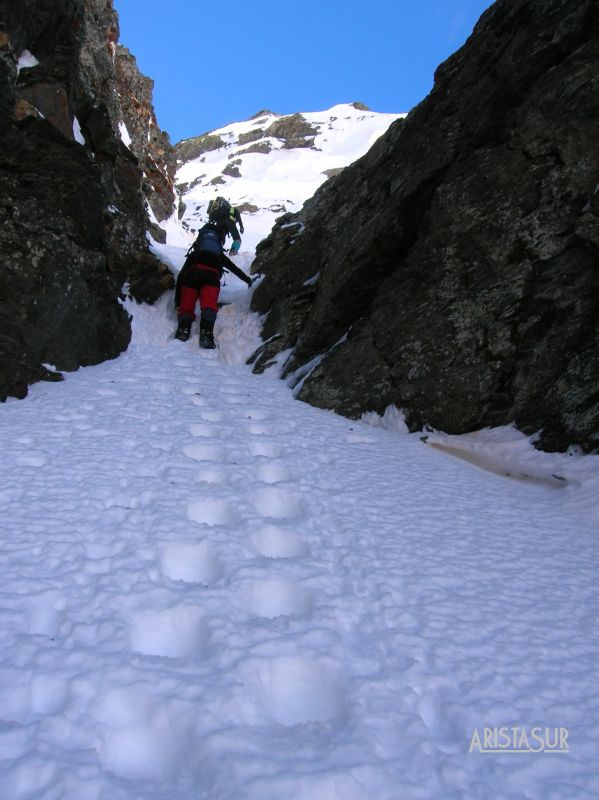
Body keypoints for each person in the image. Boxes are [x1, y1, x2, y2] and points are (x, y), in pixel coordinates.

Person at [174, 221, 253, 349]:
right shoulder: (218, 255)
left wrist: (178, 300)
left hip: (192, 275)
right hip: (211, 277)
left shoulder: (195, 254)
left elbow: (181, 276)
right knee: (209, 306)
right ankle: (206, 334)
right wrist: (248, 280)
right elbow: (234, 269)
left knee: (186, 306)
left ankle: (183, 330)